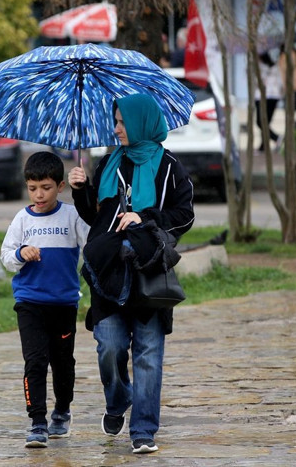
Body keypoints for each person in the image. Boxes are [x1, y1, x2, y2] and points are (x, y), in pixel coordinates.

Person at [68, 94, 195, 455]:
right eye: (116, 121)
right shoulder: (109, 162)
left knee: (148, 353)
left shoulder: (169, 167)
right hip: (108, 269)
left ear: (141, 122)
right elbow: (98, 218)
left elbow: (184, 216)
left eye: (123, 122)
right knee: (109, 347)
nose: (117, 128)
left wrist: (146, 218)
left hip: (147, 270)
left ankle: (143, 430)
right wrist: (81, 192)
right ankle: (118, 399)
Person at [0, 151, 89, 449]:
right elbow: (6, 257)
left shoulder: (72, 216)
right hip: (29, 302)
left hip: (63, 304)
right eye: (33, 187)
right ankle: (37, 421)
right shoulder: (22, 219)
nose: (39, 194)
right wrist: (20, 254)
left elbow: (91, 246)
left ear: (60, 186)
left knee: (62, 363)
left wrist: (86, 195)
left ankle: (62, 410)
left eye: (46, 187)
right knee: (35, 362)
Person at [254, 51, 283, 151]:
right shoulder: (262, 67)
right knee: (263, 122)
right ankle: (264, 145)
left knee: (261, 122)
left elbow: (257, 82)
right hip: (268, 96)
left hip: (268, 96)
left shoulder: (268, 68)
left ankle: (276, 138)